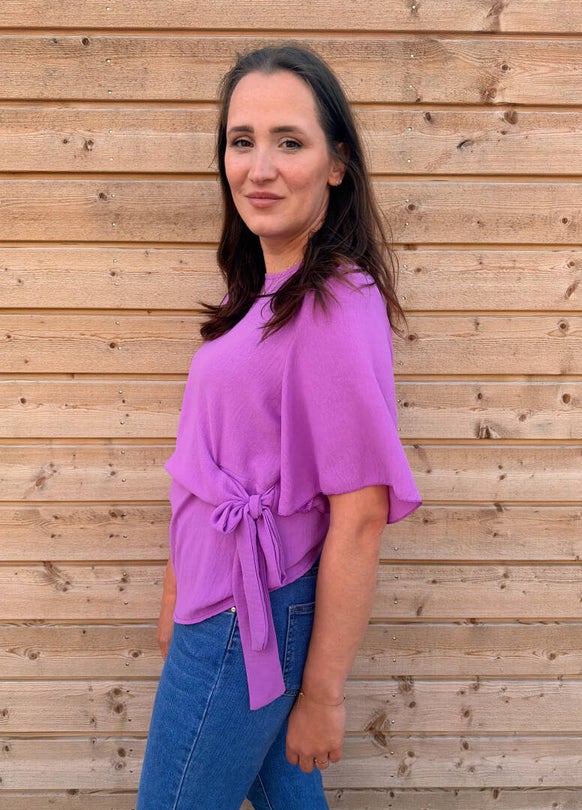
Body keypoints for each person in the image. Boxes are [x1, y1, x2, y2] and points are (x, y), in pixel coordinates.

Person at [136, 43, 421, 810]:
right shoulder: (270, 294)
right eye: (242, 141)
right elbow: (213, 466)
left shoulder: (330, 306)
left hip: (245, 618)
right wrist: (176, 592)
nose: (259, 168)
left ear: (337, 164)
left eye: (289, 142)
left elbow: (360, 515)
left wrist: (324, 694)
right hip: (219, 605)